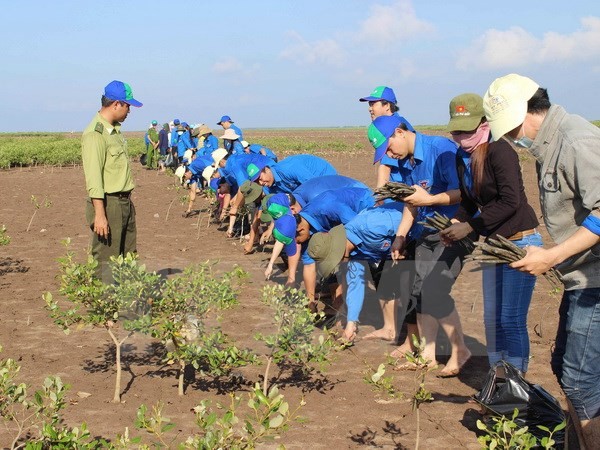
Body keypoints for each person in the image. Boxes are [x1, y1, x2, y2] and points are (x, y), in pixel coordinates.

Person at [483, 73, 600, 448]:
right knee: (565, 367)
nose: (512, 137)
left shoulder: (576, 140)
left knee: (580, 381)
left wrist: (549, 256)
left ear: (530, 110)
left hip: (595, 279)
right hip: (579, 277)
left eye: (513, 127)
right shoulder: (546, 146)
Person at [439, 93, 541, 375]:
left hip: (519, 241)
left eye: (468, 130)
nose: (462, 137)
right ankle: (498, 379)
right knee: (492, 320)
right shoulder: (464, 158)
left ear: (484, 124)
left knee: (510, 319)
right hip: (494, 245)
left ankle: (515, 381)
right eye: (457, 131)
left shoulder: (500, 151)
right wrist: (455, 225)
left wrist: (470, 226)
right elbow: (470, 203)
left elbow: (511, 202)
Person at [368, 114, 473, 376]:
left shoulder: (442, 151)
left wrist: (430, 200)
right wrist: (401, 236)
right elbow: (411, 203)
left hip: (454, 229)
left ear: (400, 132)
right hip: (426, 232)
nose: (389, 154)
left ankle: (460, 349)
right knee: (418, 291)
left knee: (434, 289)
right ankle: (427, 355)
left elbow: (465, 193)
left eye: (389, 146)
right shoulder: (408, 162)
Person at [308, 202, 411, 342]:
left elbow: (410, 217)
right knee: (384, 282)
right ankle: (390, 329)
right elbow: (355, 287)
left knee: (415, 290)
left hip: (419, 234)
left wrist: (406, 243)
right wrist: (351, 324)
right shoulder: (352, 256)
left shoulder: (370, 225)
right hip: (393, 255)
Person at [81, 80, 142, 282]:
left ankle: (126, 307)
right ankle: (104, 308)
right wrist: (100, 214)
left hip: (124, 202)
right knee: (107, 260)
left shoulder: (114, 130)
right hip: (108, 204)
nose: (129, 111)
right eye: (128, 106)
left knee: (128, 256)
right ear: (116, 104)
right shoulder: (95, 134)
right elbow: (94, 178)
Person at [359, 86, 415, 187]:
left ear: (387, 106)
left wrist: (380, 194)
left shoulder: (393, 128)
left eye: (373, 104)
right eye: (369, 105)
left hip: (399, 187)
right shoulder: (398, 122)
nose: (369, 109)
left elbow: (386, 166)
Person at [247, 154, 337, 194]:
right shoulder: (269, 187)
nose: (261, 183)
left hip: (324, 177)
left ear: (266, 169)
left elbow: (313, 186)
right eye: (257, 182)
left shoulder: (288, 168)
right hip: (309, 186)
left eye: (260, 178)